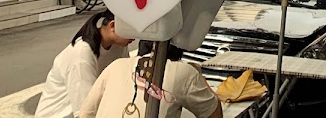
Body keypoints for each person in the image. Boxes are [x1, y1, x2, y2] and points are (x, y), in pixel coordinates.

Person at [79, 41, 222, 118]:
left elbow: (85, 114)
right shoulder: (184, 71)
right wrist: (198, 75)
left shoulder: (116, 65)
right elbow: (213, 112)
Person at [35, 9, 133, 118]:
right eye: (132, 30)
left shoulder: (119, 46)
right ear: (113, 26)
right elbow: (85, 111)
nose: (135, 36)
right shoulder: (81, 55)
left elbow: (125, 81)